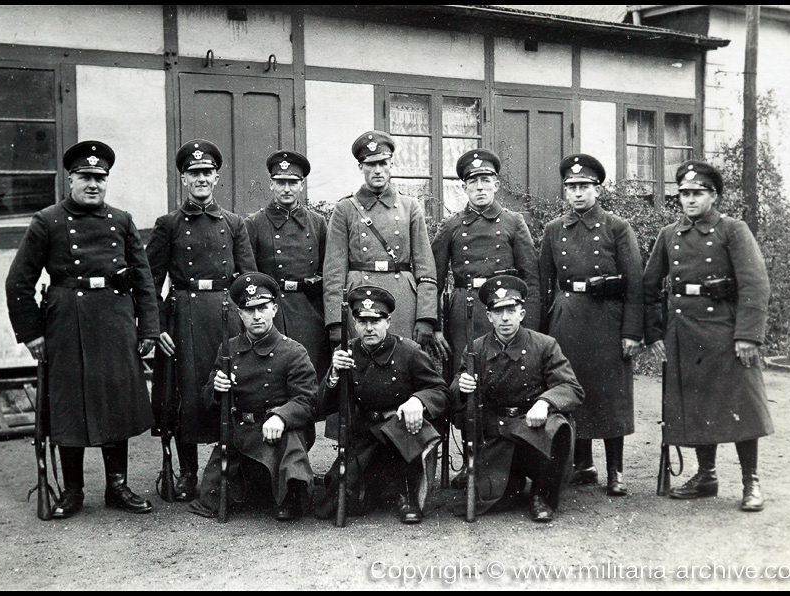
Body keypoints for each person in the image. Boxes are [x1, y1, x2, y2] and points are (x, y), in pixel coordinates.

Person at [5, 140, 159, 518]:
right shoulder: (49, 221)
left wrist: (148, 330)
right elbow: (18, 280)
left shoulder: (121, 220)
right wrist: (31, 334)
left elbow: (143, 279)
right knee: (69, 406)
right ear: (70, 178)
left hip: (114, 319)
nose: (93, 184)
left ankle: (117, 487)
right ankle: (73, 491)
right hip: (66, 322)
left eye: (100, 178)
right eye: (85, 177)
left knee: (116, 403)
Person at [644, 160, 773, 512]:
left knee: (740, 407)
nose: (689, 199)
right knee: (697, 405)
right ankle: (706, 476)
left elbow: (754, 284)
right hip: (684, 333)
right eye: (683, 193)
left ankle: (751, 482)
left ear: (713, 196)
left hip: (726, 332)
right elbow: (650, 286)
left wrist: (748, 335)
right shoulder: (670, 235)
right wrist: (655, 332)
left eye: (697, 193)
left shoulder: (733, 229)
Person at [146, 139, 257, 502]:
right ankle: (188, 473)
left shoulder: (234, 223)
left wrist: (248, 319)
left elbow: (248, 277)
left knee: (229, 389)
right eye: (193, 173)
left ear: (217, 177)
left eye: (207, 173)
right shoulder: (169, 225)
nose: (201, 179)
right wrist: (157, 326)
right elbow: (150, 281)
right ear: (183, 179)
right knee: (186, 395)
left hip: (226, 316)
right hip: (183, 315)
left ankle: (230, 468)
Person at [431, 148, 540, 487]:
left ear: (496, 184)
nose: (480, 188)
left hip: (505, 312)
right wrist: (435, 325)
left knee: (507, 385)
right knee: (467, 386)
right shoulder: (451, 226)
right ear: (464, 187)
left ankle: (510, 461)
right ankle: (470, 462)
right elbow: (432, 279)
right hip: (464, 313)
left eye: (485, 181)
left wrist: (530, 326)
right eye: (472, 182)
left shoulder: (513, 222)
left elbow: (531, 278)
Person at [539, 154, 643, 496]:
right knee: (571, 388)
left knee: (611, 394)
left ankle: (616, 470)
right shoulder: (554, 230)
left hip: (606, 320)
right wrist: (542, 333)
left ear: (597, 189)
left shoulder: (617, 227)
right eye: (571, 188)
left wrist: (631, 332)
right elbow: (544, 284)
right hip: (567, 319)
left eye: (584, 187)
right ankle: (582, 465)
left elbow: (635, 285)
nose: (578, 194)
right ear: (565, 192)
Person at [452, 276, 583, 523]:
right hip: (496, 433)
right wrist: (462, 386)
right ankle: (510, 483)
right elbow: (455, 390)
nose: (505, 319)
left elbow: (571, 387)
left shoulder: (544, 345)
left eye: (511, 311)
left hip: (532, 427)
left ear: (521, 313)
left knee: (558, 426)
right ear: (489, 316)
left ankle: (541, 494)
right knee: (499, 499)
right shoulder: (476, 349)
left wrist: (545, 403)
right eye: (498, 312)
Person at [188, 273, 318, 521]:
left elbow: (307, 400)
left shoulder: (292, 351)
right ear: (240, 314)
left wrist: (281, 417)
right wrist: (217, 387)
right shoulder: (229, 349)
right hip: (242, 431)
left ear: (274, 309)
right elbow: (207, 399)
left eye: (262, 308)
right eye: (249, 310)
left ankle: (289, 497)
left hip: (279, 433)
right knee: (212, 497)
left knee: (290, 444)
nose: (256, 316)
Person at [315, 286, 449, 524]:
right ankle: (378, 489)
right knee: (335, 500)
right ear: (354, 323)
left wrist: (417, 400)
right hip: (366, 432)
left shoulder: (409, 351)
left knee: (403, 473)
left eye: (375, 321)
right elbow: (323, 405)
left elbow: (440, 391)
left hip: (400, 431)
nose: (368, 328)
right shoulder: (346, 352)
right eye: (362, 321)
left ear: (388, 321)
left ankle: (407, 494)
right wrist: (334, 373)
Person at [323, 131, 439, 352]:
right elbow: (333, 273)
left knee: (404, 361)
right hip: (359, 296)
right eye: (370, 164)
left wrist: (425, 316)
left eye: (383, 163)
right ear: (360, 167)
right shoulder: (345, 209)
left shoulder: (410, 207)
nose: (377, 170)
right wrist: (335, 321)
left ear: (391, 164)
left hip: (402, 300)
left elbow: (426, 268)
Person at [244, 150, 330, 381]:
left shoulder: (318, 223)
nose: (286, 189)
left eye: (293, 182)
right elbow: (248, 273)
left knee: (309, 372)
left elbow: (328, 269)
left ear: (301, 185)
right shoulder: (254, 223)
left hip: (309, 310)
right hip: (273, 310)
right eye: (280, 182)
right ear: (271, 184)